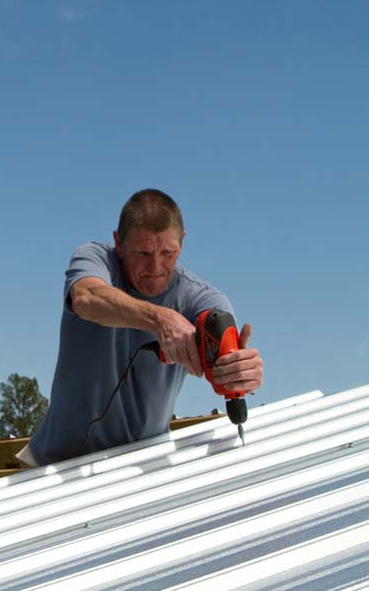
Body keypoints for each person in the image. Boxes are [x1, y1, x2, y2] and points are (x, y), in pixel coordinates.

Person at [19, 189, 263, 467]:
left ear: (182, 242)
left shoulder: (203, 299)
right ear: (118, 243)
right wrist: (159, 319)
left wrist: (237, 373)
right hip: (54, 463)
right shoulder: (96, 259)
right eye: (142, 253)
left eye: (168, 253)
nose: (156, 266)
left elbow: (224, 348)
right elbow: (87, 298)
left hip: (139, 470)